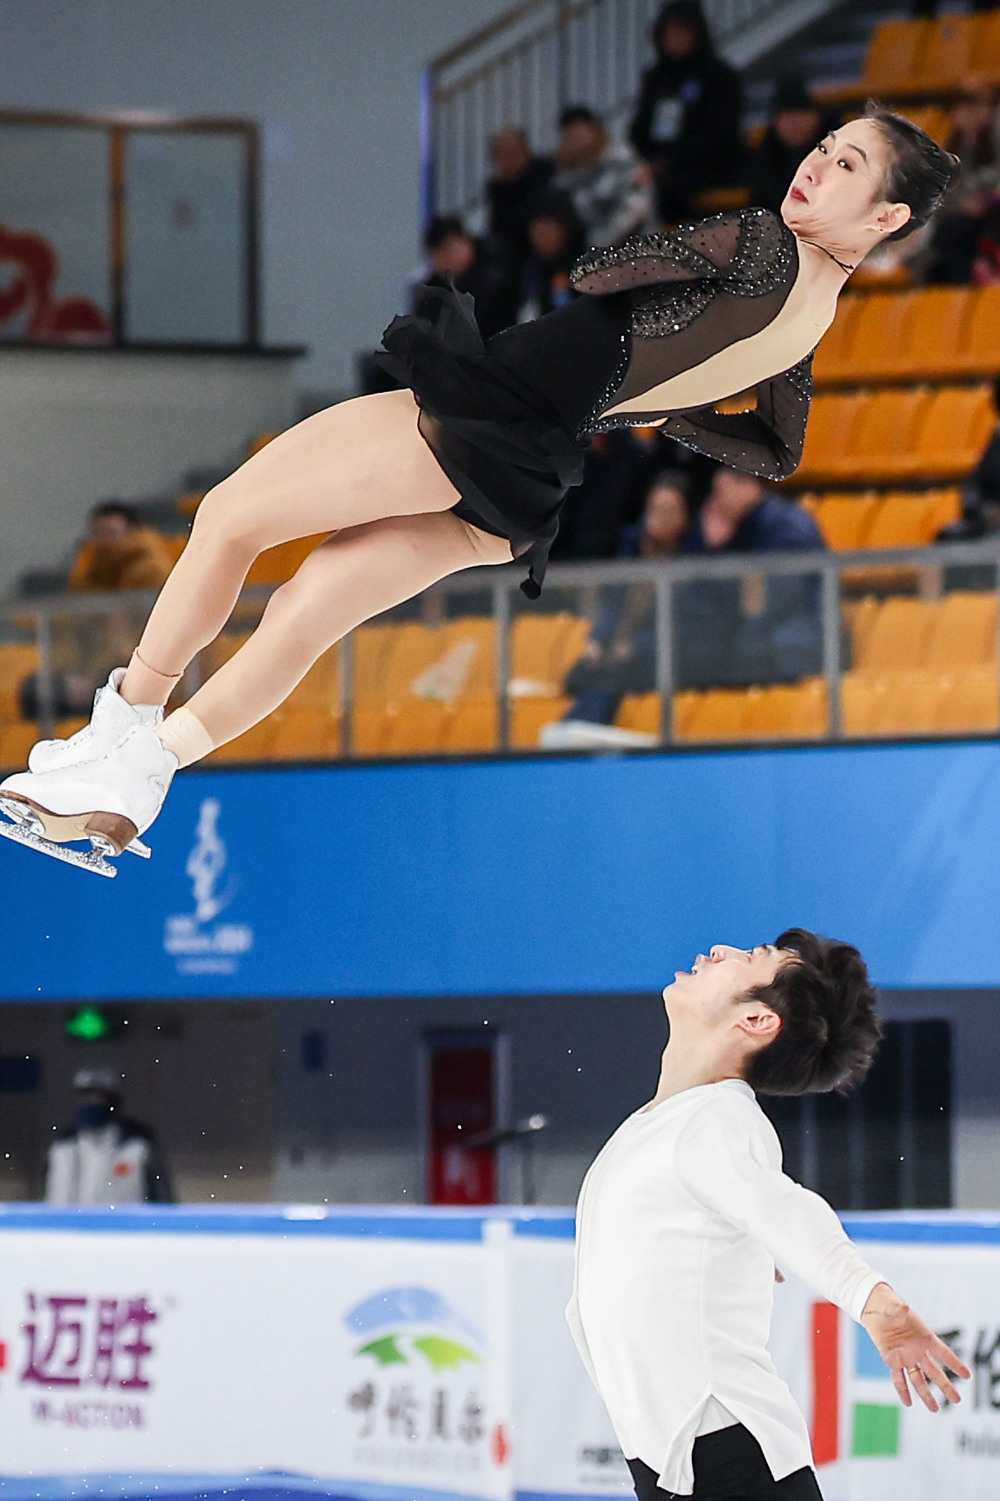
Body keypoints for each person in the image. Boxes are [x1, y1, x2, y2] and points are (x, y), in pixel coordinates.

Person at [0, 106, 959, 872]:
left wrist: (651, 349)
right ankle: (146, 775)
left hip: (478, 415)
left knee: (227, 520)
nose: (818, 164)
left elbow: (596, 273)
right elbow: (775, 448)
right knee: (307, 612)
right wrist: (658, 408)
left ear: (887, 219)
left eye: (846, 166)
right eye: (827, 147)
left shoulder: (759, 240)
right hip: (524, 488)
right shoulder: (812, 316)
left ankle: (123, 721)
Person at [567, 933, 970, 1501]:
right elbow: (738, 1215)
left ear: (758, 1020)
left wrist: (879, 1304)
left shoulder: (715, 1119)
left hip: (726, 1459)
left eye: (749, 958)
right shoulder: (658, 1124)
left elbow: (787, 1211)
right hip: (675, 1460)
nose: (719, 949)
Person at [19, 500, 175, 720]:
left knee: (116, 681)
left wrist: (92, 678)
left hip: (134, 668)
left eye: (111, 533)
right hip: (89, 673)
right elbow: (71, 631)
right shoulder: (87, 574)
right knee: (36, 689)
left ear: (131, 533)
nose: (104, 541)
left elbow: (142, 637)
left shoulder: (151, 572)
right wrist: (68, 672)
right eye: (99, 533)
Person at [561, 472, 693, 727]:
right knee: (579, 674)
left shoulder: (690, 564)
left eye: (669, 510)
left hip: (659, 656)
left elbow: (684, 626)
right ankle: (571, 729)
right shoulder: (630, 552)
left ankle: (578, 732)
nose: (660, 517)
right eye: (655, 508)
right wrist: (598, 639)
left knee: (614, 677)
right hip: (616, 650)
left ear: (684, 515)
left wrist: (636, 646)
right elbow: (613, 604)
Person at [674, 467, 825, 689]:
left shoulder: (785, 525)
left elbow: (780, 598)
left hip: (801, 632)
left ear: (747, 486)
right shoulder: (740, 529)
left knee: (746, 643)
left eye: (721, 491)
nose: (717, 501)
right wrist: (712, 547)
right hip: (768, 628)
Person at [629, 0, 744, 224]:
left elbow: (721, 132)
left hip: (707, 167)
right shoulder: (657, 78)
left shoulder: (718, 76)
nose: (675, 38)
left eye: (682, 31)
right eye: (670, 32)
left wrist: (671, 161)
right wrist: (649, 158)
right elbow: (640, 127)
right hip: (659, 169)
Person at [45, 1067, 173, 1204]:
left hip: (123, 1224)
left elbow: (161, 1197)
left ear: (113, 1102)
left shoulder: (137, 1146)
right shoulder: (62, 1146)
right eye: (84, 1097)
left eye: (97, 1097)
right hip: (70, 1224)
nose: (89, 1103)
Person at [553, 105, 654, 248]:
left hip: (635, 252)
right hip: (592, 253)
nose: (574, 141)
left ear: (598, 130)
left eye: (578, 134)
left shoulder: (625, 162)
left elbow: (633, 213)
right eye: (568, 136)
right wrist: (561, 168)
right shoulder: (574, 171)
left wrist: (595, 246)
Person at [485, 127, 554, 307]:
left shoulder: (546, 176)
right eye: (502, 153)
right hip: (514, 259)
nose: (509, 158)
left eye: (514, 151)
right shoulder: (497, 189)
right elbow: (498, 230)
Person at [748, 80, 828, 217]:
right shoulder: (767, 154)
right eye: (787, 117)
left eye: (801, 115)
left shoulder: (833, 150)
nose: (795, 124)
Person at [517, 191, 586, 320]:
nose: (541, 235)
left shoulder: (582, 269)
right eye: (536, 228)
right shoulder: (525, 268)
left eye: (548, 228)